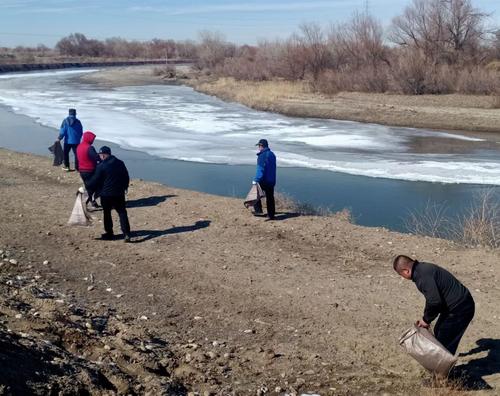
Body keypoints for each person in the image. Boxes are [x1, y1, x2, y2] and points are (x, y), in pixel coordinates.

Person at [393, 255, 475, 355]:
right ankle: (443, 366)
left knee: (444, 340)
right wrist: (426, 318)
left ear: (406, 271)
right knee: (439, 330)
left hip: (461, 307)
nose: (403, 278)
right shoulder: (422, 269)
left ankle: (446, 369)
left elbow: (434, 301)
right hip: (454, 306)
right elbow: (432, 298)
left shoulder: (422, 276)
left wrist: (426, 319)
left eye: (401, 275)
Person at [87, 146, 132, 242]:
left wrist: (87, 186)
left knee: (107, 213)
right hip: (119, 193)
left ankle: (109, 233)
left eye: (100, 155)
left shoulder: (102, 166)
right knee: (122, 212)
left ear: (103, 155)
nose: (100, 157)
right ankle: (127, 233)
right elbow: (126, 176)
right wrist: (125, 187)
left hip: (106, 194)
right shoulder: (120, 163)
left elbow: (95, 180)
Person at [253, 139, 276, 220]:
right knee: (270, 197)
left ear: (261, 146)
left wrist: (256, 180)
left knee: (256, 193)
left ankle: (258, 211)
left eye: (259, 146)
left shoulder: (262, 156)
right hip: (271, 180)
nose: (258, 148)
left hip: (264, 180)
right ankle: (271, 214)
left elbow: (260, 169)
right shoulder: (272, 154)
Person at [76, 131, 100, 209]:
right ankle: (85, 203)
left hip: (82, 171)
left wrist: (77, 168)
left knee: (89, 187)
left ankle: (92, 202)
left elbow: (77, 159)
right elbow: (96, 158)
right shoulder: (89, 148)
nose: (93, 141)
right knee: (94, 187)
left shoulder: (79, 146)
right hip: (90, 170)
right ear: (89, 139)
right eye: (92, 139)